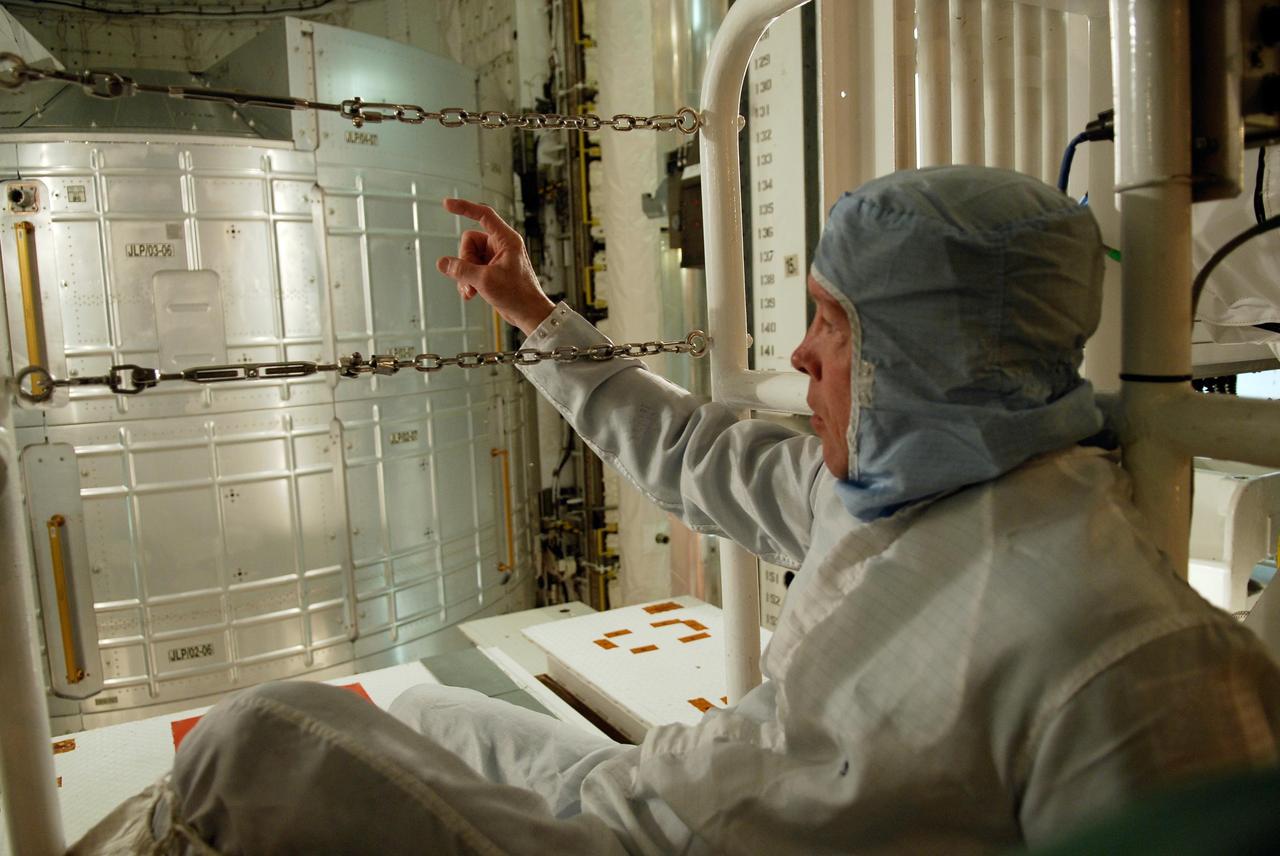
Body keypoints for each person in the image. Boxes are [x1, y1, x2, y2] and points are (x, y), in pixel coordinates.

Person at [74, 166, 1280, 855]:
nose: (800, 359)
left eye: (832, 322)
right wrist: (533, 313)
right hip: (654, 791)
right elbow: (692, 451)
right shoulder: (886, 494)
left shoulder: (1117, 649)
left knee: (261, 741)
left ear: (930, 351)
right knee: (426, 704)